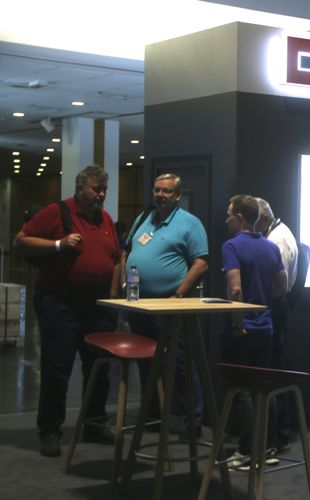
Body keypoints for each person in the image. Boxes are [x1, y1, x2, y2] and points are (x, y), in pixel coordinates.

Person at [15, 164, 121, 456]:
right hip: (60, 304)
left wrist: (112, 297)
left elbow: (115, 258)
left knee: (99, 368)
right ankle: (50, 431)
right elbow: (21, 242)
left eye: (104, 189)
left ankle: (95, 424)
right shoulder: (57, 212)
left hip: (97, 307)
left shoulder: (106, 220)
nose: (101, 194)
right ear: (80, 188)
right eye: (96, 189)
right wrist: (59, 244)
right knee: (57, 368)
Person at [122, 173, 209, 437]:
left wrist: (179, 295)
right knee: (145, 362)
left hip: (170, 306)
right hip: (139, 305)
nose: (160, 195)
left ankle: (192, 422)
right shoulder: (143, 218)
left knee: (180, 362)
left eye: (167, 191)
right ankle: (152, 416)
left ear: (178, 196)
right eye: (157, 190)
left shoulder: (190, 223)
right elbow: (127, 251)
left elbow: (201, 263)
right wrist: (126, 286)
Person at [221, 195, 287, 470]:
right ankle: (269, 447)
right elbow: (282, 287)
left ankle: (247, 451)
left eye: (229, 214)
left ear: (239, 217)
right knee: (263, 387)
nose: (226, 219)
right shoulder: (271, 247)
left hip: (243, 328)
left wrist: (238, 323)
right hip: (265, 327)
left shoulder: (231, 246)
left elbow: (235, 289)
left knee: (242, 389)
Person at [255, 197, 298, 450]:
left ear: (263, 219)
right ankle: (277, 431)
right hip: (278, 307)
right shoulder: (276, 233)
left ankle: (277, 434)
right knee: (275, 366)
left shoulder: (277, 240)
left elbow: (278, 285)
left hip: (276, 307)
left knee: (273, 369)